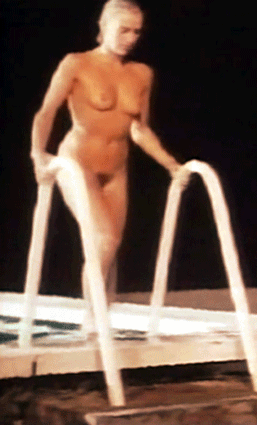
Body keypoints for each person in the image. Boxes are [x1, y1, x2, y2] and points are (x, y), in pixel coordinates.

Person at [30, 0, 184, 332]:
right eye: (123, 30)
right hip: (78, 162)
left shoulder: (141, 74)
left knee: (110, 250)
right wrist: (38, 155)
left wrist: (172, 165)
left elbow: (139, 129)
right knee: (103, 239)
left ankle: (99, 325)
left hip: (116, 168)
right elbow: (47, 111)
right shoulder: (77, 63)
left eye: (136, 32)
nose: (130, 38)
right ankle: (94, 318)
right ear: (103, 28)